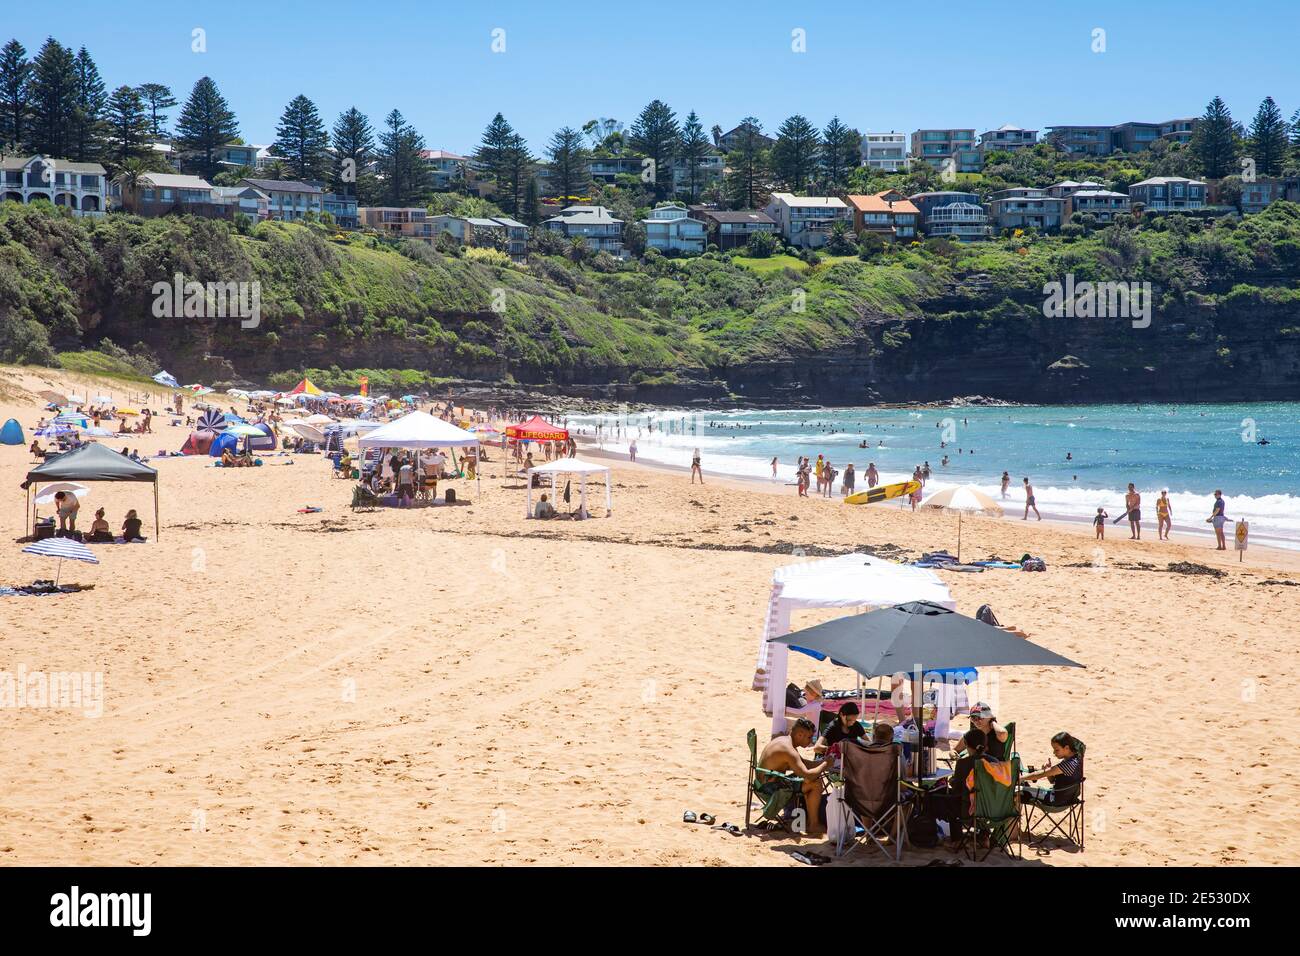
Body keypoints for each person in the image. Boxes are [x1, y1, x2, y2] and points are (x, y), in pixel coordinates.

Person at [756, 719, 833, 835]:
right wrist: (826, 764)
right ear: (800, 734)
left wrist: (825, 761)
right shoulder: (788, 750)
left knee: (812, 779)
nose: (811, 741)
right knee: (815, 784)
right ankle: (813, 825)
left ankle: (810, 820)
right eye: (809, 737)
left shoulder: (784, 740)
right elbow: (808, 776)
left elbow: (805, 764)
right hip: (769, 789)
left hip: (763, 782)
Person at [1020, 732, 1083, 807]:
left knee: (1019, 790)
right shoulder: (1077, 758)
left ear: (1066, 748)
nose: (1054, 753)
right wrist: (1049, 771)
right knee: (1026, 787)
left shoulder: (1067, 765)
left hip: (1055, 800)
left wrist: (1020, 778)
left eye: (1057, 750)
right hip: (1069, 798)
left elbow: (1039, 775)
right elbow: (1052, 781)